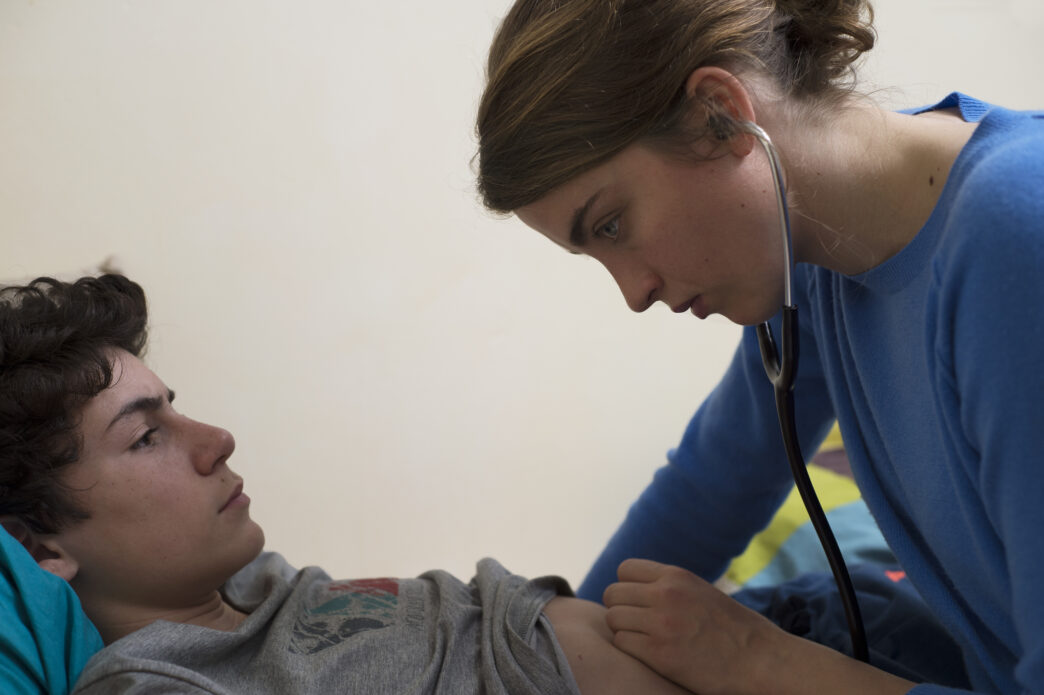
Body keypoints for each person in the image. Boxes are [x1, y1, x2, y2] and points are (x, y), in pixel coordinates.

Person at [475, 1, 1044, 694]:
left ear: (719, 114)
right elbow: (713, 485)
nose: (633, 292)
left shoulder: (1015, 235)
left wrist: (761, 661)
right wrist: (565, 656)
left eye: (613, 224)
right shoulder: (819, 260)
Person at [0, 273, 700, 695]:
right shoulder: (158, 682)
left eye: (176, 407)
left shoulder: (252, 589)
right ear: (39, 548)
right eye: (147, 436)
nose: (217, 440)